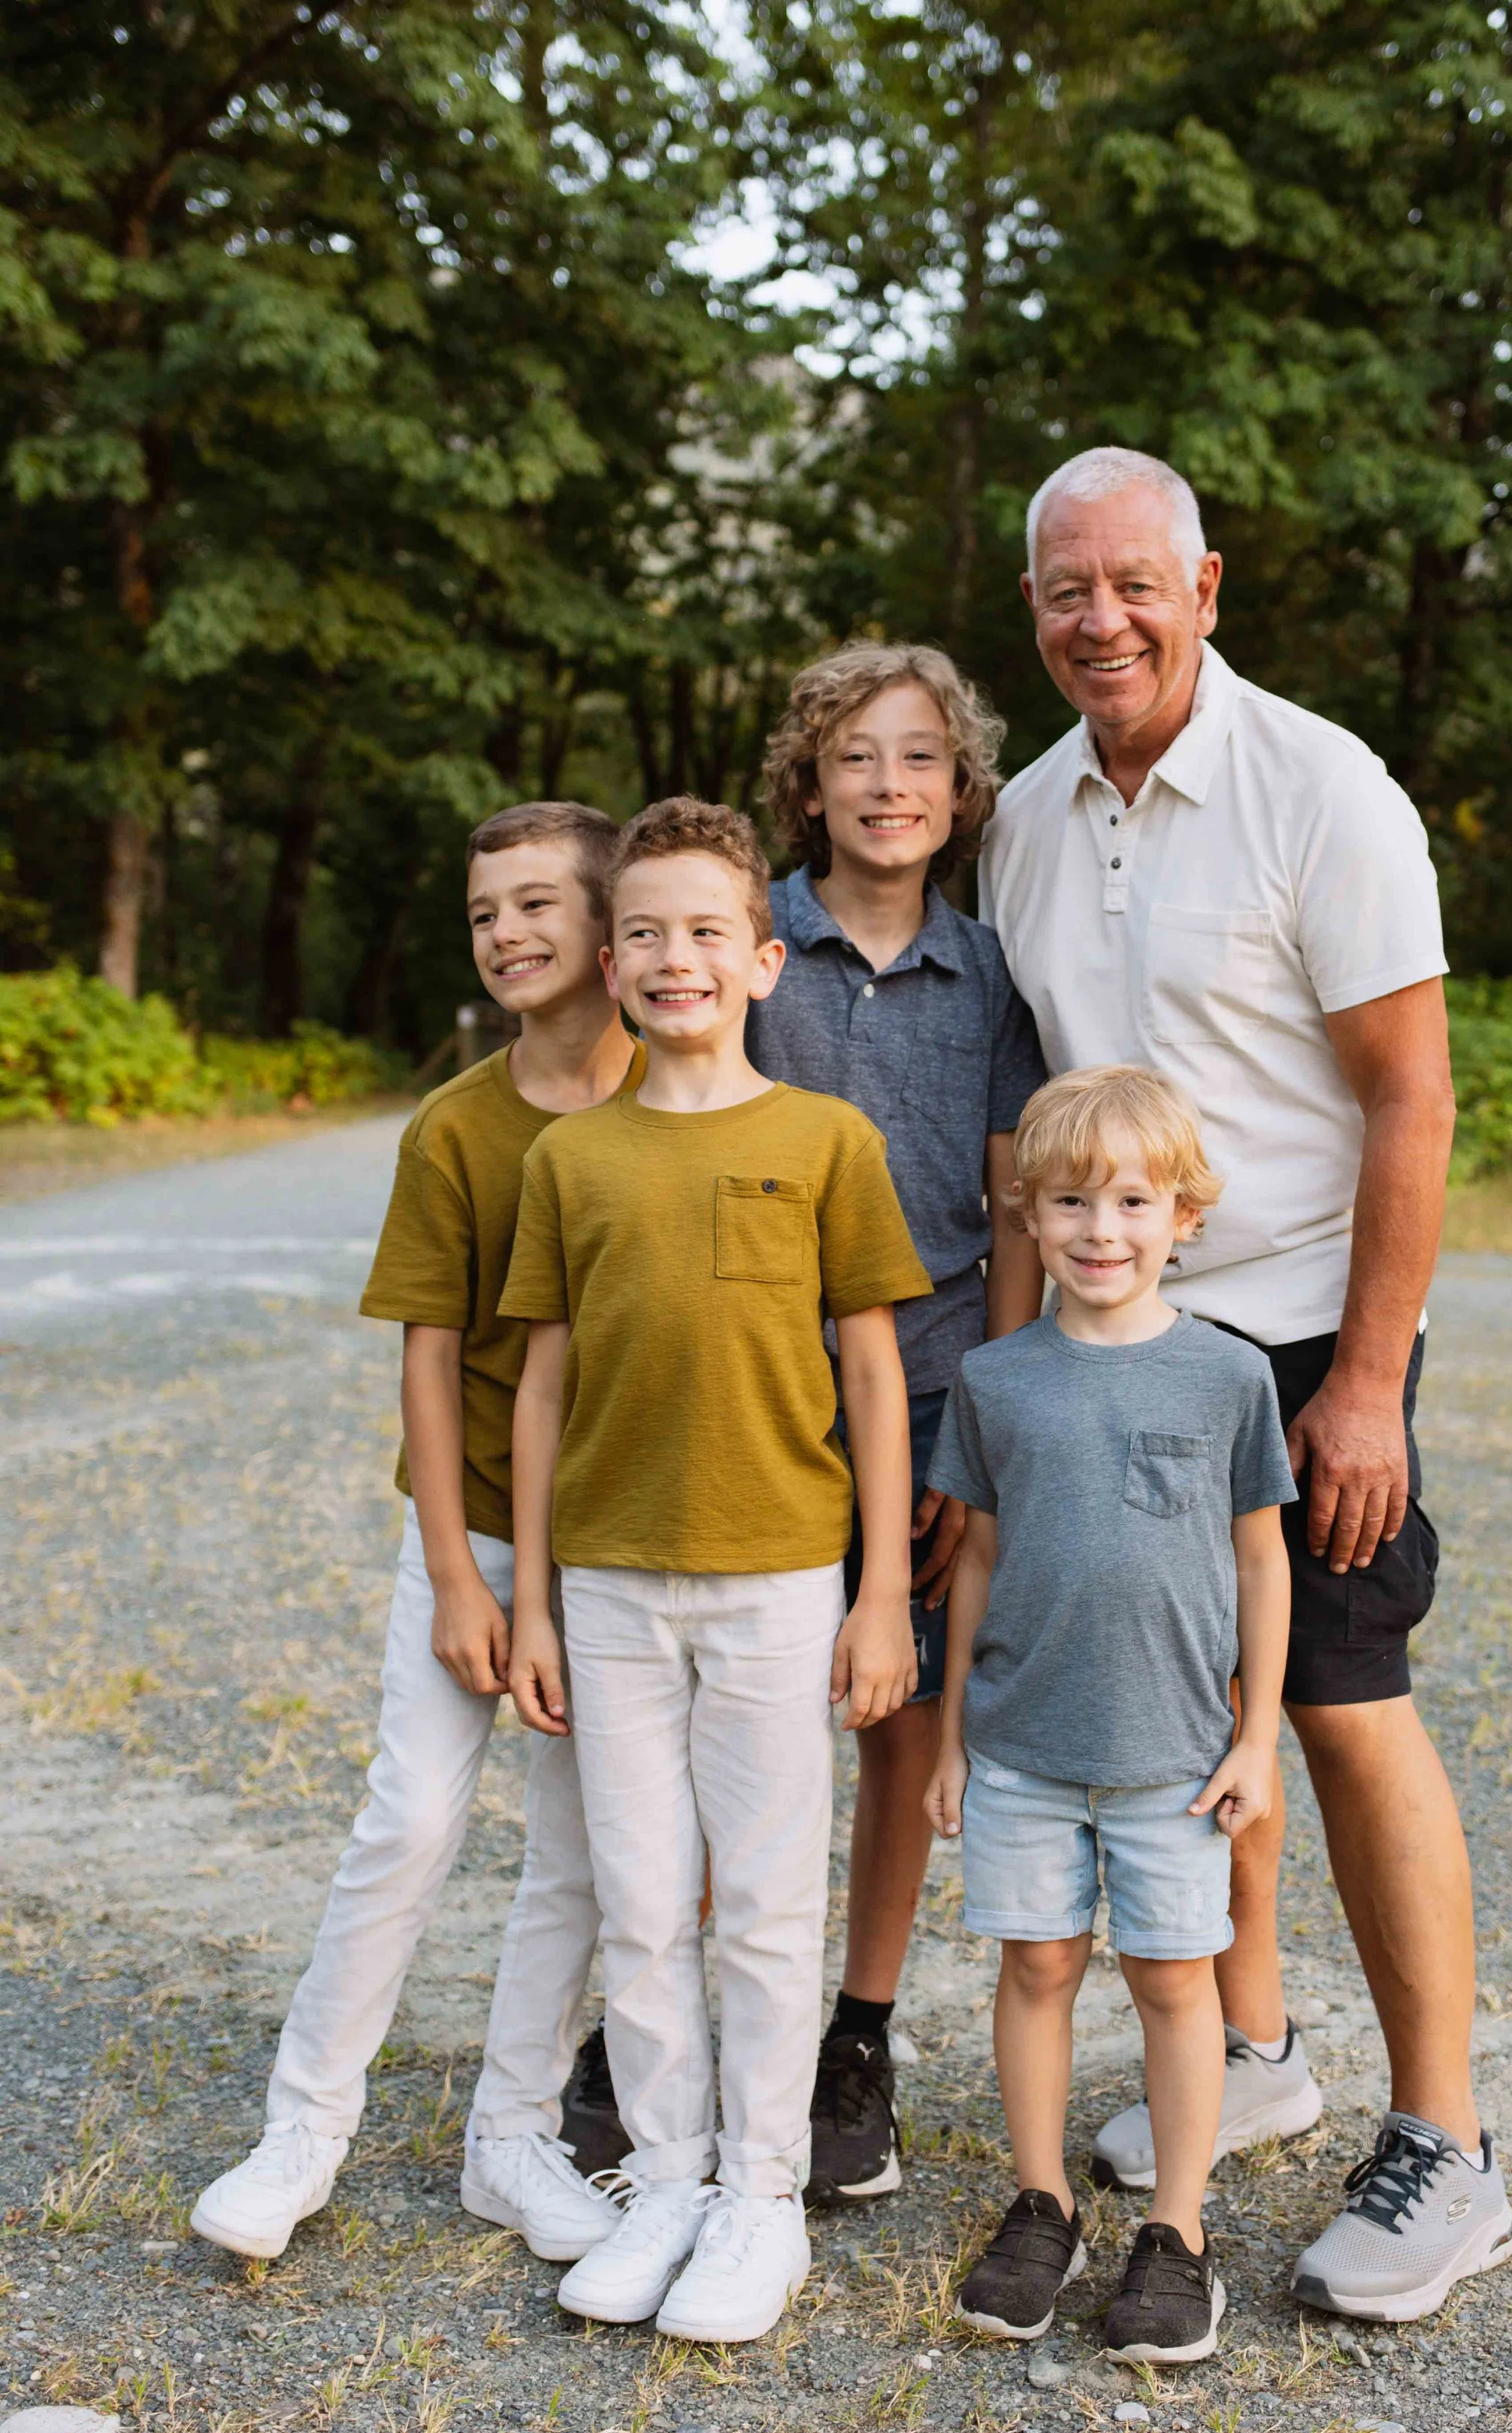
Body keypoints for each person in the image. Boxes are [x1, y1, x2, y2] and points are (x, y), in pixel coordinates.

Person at [979, 444, 1512, 2324]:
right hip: (1106, 1332)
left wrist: (1364, 1381)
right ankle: (1258, 2043)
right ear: (1032, 607)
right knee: (1195, 1693)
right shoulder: (1029, 813)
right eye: (1064, 591)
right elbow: (1032, 1121)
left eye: (1132, 584)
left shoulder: (1320, 789)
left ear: (1205, 587)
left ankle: (1445, 2146)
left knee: (1345, 1696)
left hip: (1292, 1328)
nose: (1098, 619)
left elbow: (1411, 1096)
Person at [502, 797, 932, 2344]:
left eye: (704, 933)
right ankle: (670, 2180)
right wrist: (535, 1602)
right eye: (643, 934)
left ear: (763, 961)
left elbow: (874, 1379)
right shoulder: (572, 1157)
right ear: (608, 962)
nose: (671, 958)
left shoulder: (823, 1143)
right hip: (609, 1588)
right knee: (638, 1902)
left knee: (756, 1906)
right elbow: (542, 1385)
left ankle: (761, 2199)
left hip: (776, 1582)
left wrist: (883, 1591)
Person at [190, 801, 640, 2268]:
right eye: (481, 913)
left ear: (606, 921)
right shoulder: (457, 1125)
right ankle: (302, 2129)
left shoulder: (682, 1101)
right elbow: (429, 1363)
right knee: (411, 1820)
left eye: (534, 905)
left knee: (578, 1850)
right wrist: (456, 1575)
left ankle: (510, 2141)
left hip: (627, 1552)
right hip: (483, 1538)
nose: (506, 933)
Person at [925, 1067, 1293, 2363]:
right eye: (1071, 1199)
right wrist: (957, 1735)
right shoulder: (996, 1378)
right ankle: (1044, 2204)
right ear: (1028, 1215)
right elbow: (974, 1556)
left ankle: (1179, 2233)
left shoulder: (1228, 1379)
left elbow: (1261, 1559)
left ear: (1183, 1215)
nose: (1101, 1228)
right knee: (1036, 1966)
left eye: (1133, 1200)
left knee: (1173, 1982)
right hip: (1023, 1744)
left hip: (1175, 1759)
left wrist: (1257, 1736)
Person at [744, 642, 1045, 2207]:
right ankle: (679, 2018)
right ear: (809, 787)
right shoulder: (752, 952)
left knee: (899, 1712)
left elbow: (1008, 1216)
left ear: (959, 792)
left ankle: (854, 2032)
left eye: (918, 757)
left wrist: (972, 1445)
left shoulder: (988, 976)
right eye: (854, 757)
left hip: (924, 1388)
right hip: (751, 1382)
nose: (886, 785)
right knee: (736, 1710)